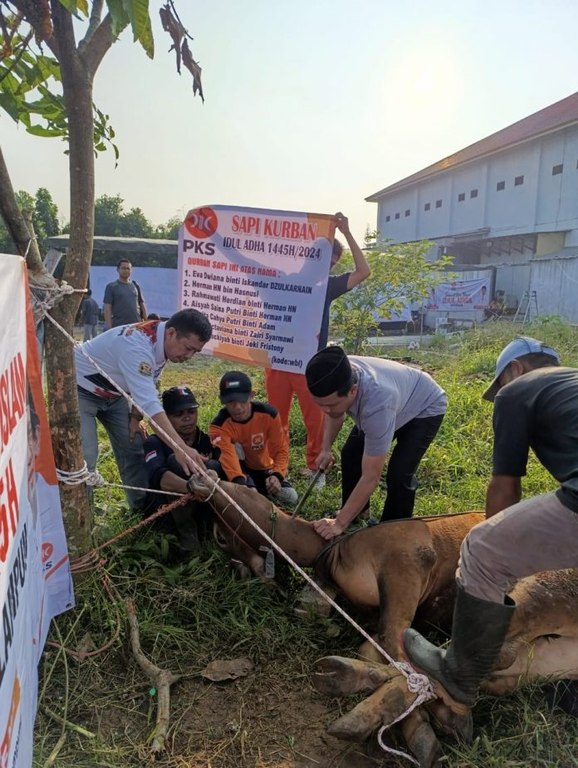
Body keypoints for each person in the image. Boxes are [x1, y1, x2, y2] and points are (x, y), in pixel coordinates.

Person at [402, 336, 577, 717]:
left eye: (497, 385)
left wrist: (495, 559)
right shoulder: (569, 385)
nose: (498, 395)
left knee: (482, 546)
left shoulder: (517, 391)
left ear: (513, 370)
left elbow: (504, 486)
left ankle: (458, 675)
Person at [264, 212, 370, 490]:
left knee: (316, 419)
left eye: (333, 264)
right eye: (325, 261)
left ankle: (316, 468)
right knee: (276, 419)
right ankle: (278, 468)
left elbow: (363, 272)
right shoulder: (282, 279)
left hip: (309, 365)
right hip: (276, 361)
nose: (328, 267)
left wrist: (346, 232)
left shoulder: (326, 286)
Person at [75, 309, 212, 510]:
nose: (189, 356)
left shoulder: (162, 339)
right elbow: (150, 405)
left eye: (195, 352)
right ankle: (82, 519)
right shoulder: (137, 347)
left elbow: (150, 382)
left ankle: (141, 509)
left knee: (134, 444)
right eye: (188, 348)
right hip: (80, 389)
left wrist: (134, 417)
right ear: (172, 333)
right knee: (85, 457)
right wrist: (180, 448)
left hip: (114, 394)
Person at [305, 345, 447, 540]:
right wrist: (326, 449)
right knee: (350, 454)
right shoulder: (336, 372)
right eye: (320, 405)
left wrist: (338, 525)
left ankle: (393, 530)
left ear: (353, 390)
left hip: (424, 406)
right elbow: (334, 413)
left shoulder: (377, 405)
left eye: (330, 404)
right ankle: (357, 513)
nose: (325, 410)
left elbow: (371, 476)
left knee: (399, 472)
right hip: (397, 398)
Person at [143, 386, 222, 551]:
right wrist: (192, 489)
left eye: (191, 412)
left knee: (213, 466)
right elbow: (159, 477)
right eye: (178, 414)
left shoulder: (208, 440)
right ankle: (187, 534)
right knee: (176, 461)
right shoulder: (155, 442)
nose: (187, 418)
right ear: (166, 417)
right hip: (167, 511)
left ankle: (214, 526)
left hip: (204, 505)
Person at [209, 371, 298, 508]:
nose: (237, 407)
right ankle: (248, 492)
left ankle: (262, 491)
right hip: (239, 470)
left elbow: (281, 449)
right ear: (222, 399)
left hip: (264, 469)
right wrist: (243, 486)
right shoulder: (218, 426)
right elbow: (228, 458)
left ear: (251, 396)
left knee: (290, 497)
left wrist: (277, 475)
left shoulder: (269, 414)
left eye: (242, 400)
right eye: (231, 401)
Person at [103, 258, 147, 328]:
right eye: (123, 268)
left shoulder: (135, 285)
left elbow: (142, 304)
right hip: (119, 326)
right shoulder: (111, 287)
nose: (126, 271)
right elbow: (107, 308)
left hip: (136, 326)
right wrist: (109, 327)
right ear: (118, 269)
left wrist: (146, 322)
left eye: (128, 268)